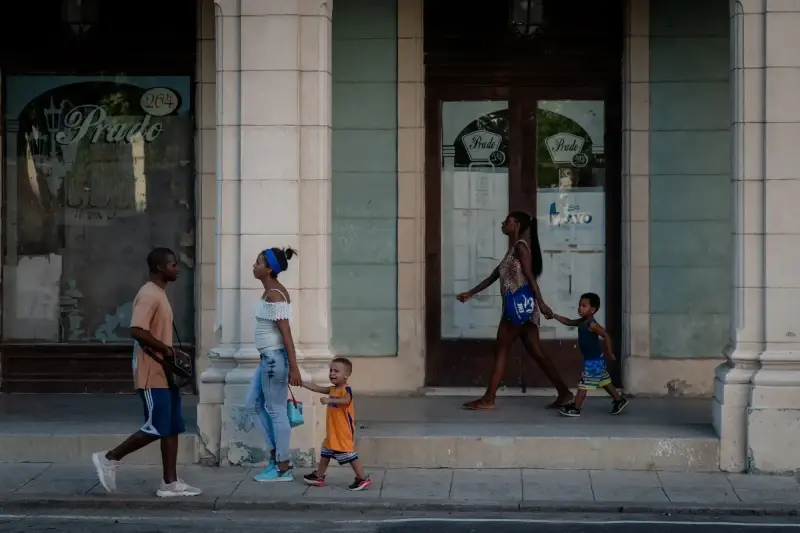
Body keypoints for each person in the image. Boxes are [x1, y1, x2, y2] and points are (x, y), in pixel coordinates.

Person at [92, 248, 202, 497]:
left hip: (165, 372)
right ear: (160, 268)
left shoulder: (159, 293)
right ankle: (109, 458)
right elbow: (137, 330)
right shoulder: (149, 294)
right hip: (152, 372)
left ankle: (170, 483)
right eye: (173, 265)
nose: (177, 268)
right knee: (156, 426)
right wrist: (166, 349)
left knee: (172, 427)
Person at [457, 212, 573, 410]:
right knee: (537, 353)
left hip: (518, 309)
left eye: (507, 222)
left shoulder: (520, 247)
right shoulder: (513, 249)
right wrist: (470, 293)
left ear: (516, 225)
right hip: (523, 309)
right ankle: (564, 392)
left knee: (501, 350)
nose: (503, 224)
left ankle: (488, 399)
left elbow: (530, 278)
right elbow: (494, 276)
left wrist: (542, 303)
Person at [246, 247, 303, 482]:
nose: (254, 265)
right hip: (267, 360)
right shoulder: (270, 292)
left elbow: (286, 334)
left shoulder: (275, 295)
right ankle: (276, 456)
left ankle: (282, 466)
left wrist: (294, 367)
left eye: (258, 262)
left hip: (273, 361)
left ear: (268, 269)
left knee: (277, 411)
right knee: (252, 404)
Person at [549, 292, 628, 417]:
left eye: (584, 306)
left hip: (593, 361)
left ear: (592, 309)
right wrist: (553, 315)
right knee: (604, 381)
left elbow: (606, 335)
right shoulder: (582, 322)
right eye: (580, 305)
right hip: (594, 360)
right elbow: (568, 322)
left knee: (584, 384)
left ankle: (576, 407)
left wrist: (610, 352)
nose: (580, 308)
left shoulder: (591, 324)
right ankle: (619, 399)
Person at [301, 357, 372, 491]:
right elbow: (317, 388)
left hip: (343, 431)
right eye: (331, 370)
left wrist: (329, 400)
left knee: (350, 454)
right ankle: (319, 476)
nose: (332, 373)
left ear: (346, 375)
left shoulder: (346, 389)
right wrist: (302, 383)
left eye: (336, 371)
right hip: (333, 431)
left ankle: (362, 478)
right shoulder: (333, 389)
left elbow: (346, 400)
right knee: (326, 452)